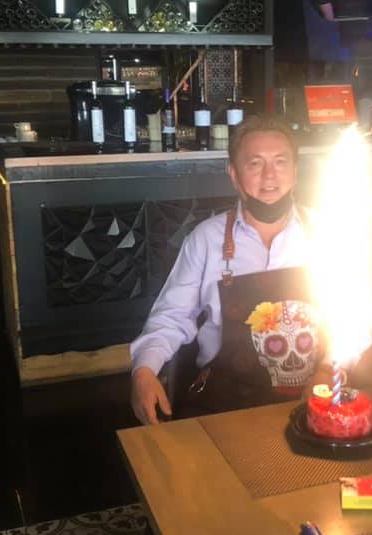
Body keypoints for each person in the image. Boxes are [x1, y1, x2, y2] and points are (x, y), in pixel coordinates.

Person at [130, 114, 338, 425]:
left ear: (296, 170)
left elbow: (357, 317)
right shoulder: (206, 239)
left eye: (280, 162)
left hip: (316, 398)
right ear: (234, 174)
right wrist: (144, 371)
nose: (269, 175)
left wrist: (327, 370)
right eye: (255, 163)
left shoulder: (329, 231)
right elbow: (171, 317)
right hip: (226, 403)